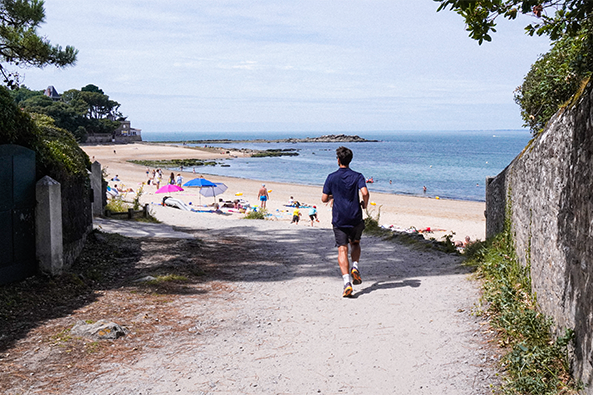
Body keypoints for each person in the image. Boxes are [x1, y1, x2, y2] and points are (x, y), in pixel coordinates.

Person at [322, 146, 369, 298]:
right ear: (350, 160)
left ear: (338, 160)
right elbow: (365, 192)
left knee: (342, 250)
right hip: (355, 216)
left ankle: (347, 283)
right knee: (355, 243)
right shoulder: (358, 176)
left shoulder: (331, 177)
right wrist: (365, 204)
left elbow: (323, 198)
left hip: (339, 218)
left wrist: (332, 196)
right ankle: (355, 266)